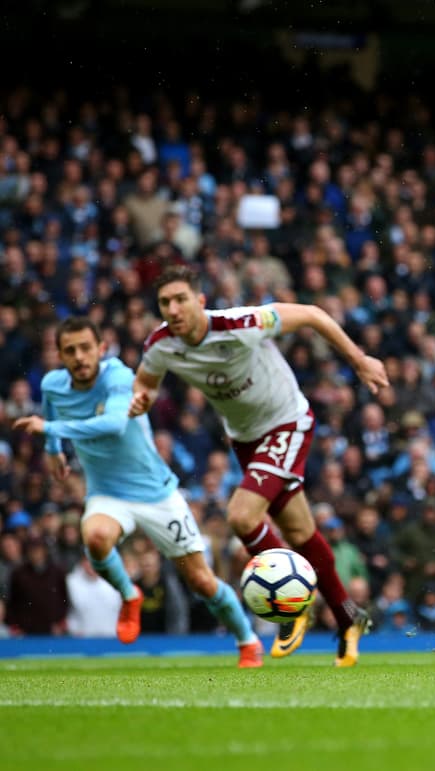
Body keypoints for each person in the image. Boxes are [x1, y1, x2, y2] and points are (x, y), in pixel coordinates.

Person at [129, 265, 387, 666]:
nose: (173, 309)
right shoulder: (161, 345)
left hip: (287, 422)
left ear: (200, 301)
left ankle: (292, 603)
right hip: (246, 439)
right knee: (300, 531)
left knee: (241, 516)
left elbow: (313, 314)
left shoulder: (241, 323)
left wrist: (359, 360)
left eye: (181, 299)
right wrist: (141, 397)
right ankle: (347, 615)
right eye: (165, 303)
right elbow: (146, 382)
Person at [11, 317, 261, 666]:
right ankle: (130, 594)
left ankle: (247, 640)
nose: (79, 357)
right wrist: (53, 450)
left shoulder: (118, 377)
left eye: (85, 348)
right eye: (70, 351)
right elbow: (52, 406)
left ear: (101, 348)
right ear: (60, 356)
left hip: (157, 494)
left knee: (201, 581)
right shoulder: (54, 384)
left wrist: (51, 430)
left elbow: (113, 425)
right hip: (107, 493)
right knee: (95, 538)